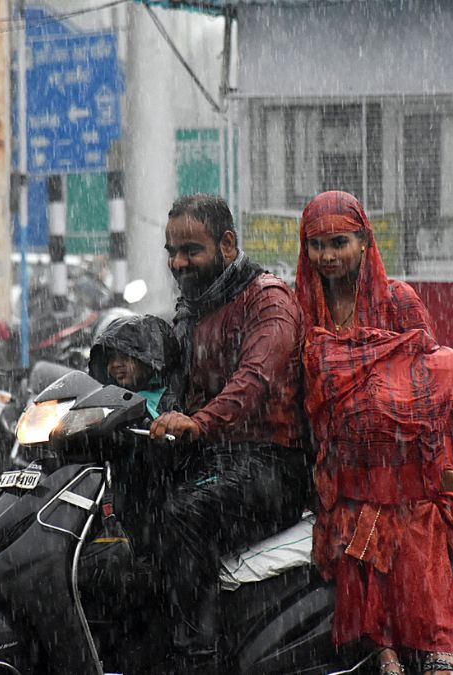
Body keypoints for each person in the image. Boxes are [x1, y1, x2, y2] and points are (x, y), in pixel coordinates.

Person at [294, 190, 453, 675]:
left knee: (415, 529)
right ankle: (381, 654)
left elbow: (431, 386)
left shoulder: (398, 301)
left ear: (365, 240)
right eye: (315, 245)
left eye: (338, 242)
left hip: (407, 470)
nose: (326, 256)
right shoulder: (303, 307)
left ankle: (438, 659)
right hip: (343, 474)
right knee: (354, 536)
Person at [145, 193, 312, 673]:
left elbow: (253, 382)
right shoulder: (192, 307)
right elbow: (172, 382)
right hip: (213, 459)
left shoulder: (269, 300)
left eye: (191, 251)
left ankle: (197, 656)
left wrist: (198, 423)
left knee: (182, 515)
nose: (178, 263)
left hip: (272, 465)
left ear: (228, 244)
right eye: (171, 252)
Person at [87, 313, 178, 417]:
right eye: (110, 358)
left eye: (125, 356)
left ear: (147, 359)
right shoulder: (108, 401)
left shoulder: (168, 401)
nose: (115, 364)